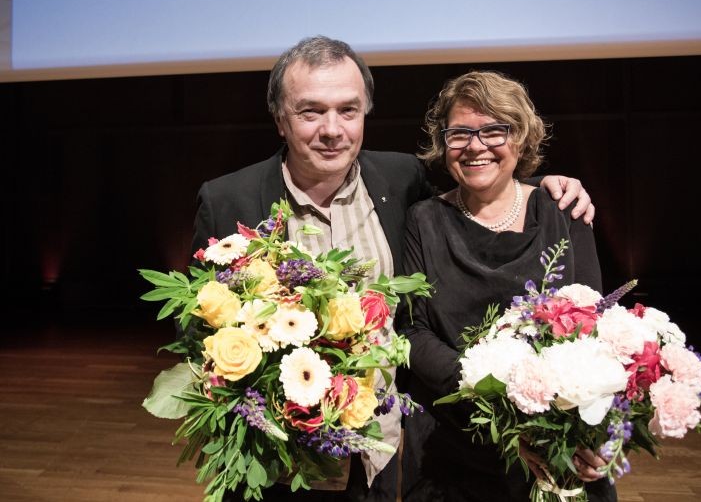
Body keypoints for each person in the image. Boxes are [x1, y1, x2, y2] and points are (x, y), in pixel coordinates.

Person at [192, 36, 596, 502]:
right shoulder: (227, 201)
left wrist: (543, 185)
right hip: (281, 465)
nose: (332, 129)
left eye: (348, 110)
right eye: (310, 112)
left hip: (381, 455)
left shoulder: (401, 180)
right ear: (280, 119)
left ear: (365, 112)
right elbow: (199, 339)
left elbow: (480, 174)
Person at [397, 71, 616, 501]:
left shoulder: (563, 208)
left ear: (521, 137)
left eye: (494, 130)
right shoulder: (423, 220)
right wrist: (499, 403)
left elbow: (595, 327)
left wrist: (586, 428)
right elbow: (412, 332)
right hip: (454, 443)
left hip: (557, 442)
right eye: (460, 133)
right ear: (444, 145)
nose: (476, 146)